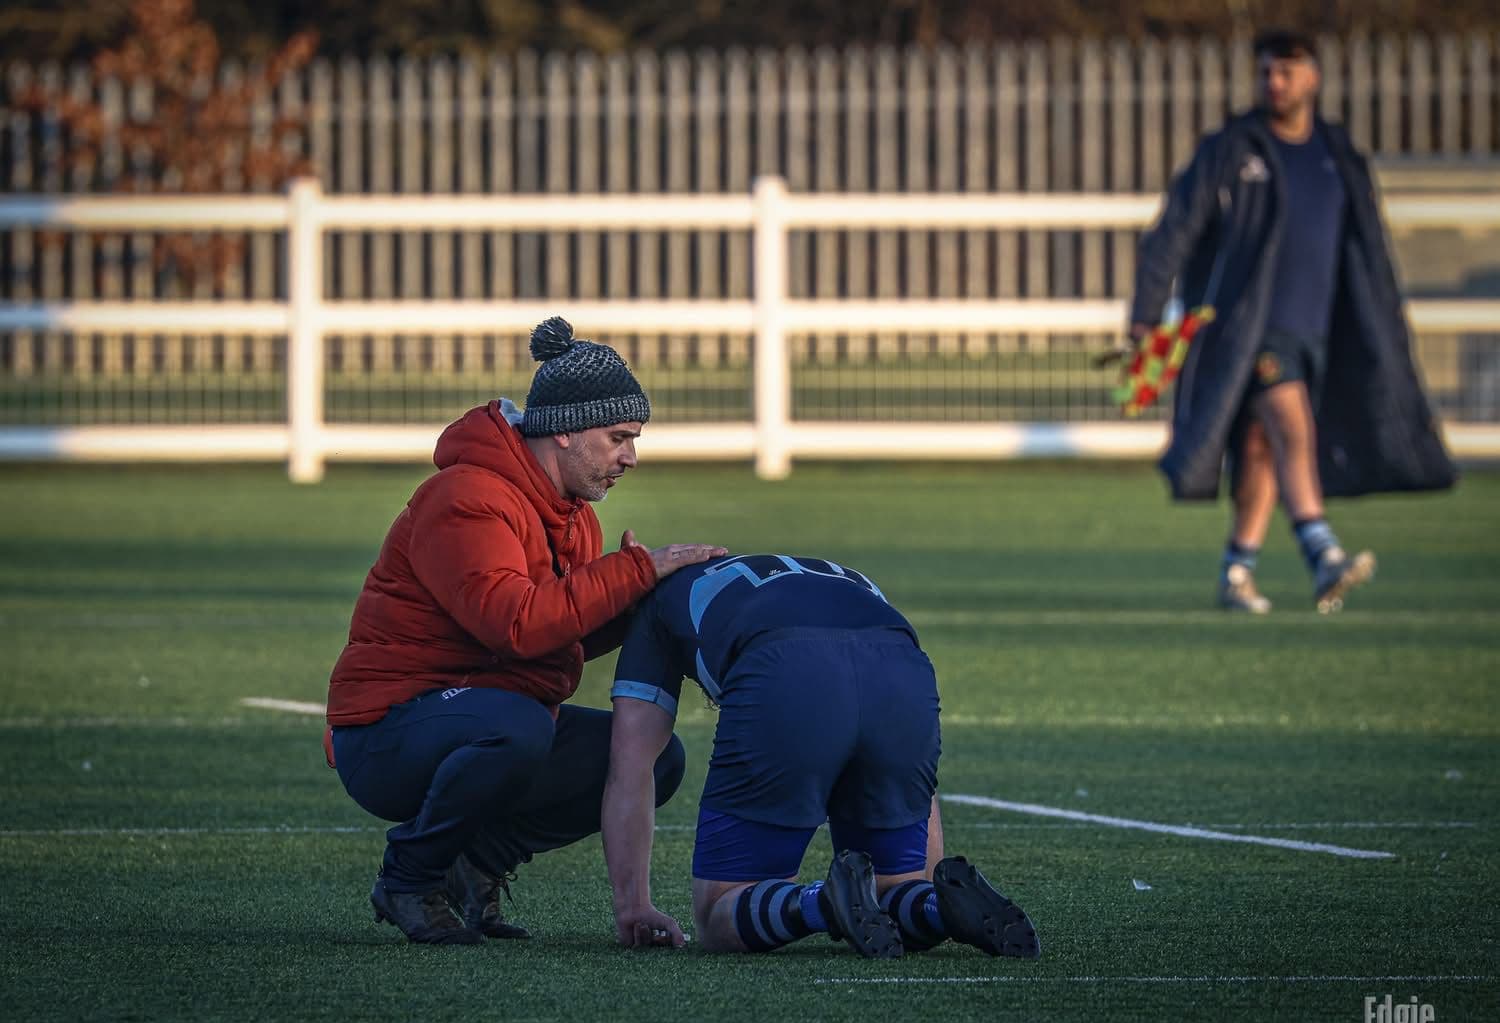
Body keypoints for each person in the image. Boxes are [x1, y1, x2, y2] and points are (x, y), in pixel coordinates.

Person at [325, 316, 727, 945]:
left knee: (654, 757)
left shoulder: (571, 514)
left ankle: (476, 862)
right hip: (384, 734)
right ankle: (408, 877)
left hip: (481, 717)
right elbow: (514, 625)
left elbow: (561, 630)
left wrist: (650, 599)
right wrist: (635, 572)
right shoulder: (467, 496)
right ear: (564, 431)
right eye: (618, 436)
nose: (631, 457)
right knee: (516, 726)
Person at [1129, 29, 1455, 614]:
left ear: (1313, 77)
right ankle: (1320, 548)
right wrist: (1145, 316)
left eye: (1285, 71)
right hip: (1249, 328)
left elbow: (1368, 246)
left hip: (1319, 324)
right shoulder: (1232, 149)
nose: (1273, 83)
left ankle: (1237, 571)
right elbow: (1173, 229)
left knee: (1261, 447)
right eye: (1265, 73)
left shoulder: (1336, 153)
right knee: (1294, 423)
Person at [600, 552, 1040, 959]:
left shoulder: (654, 603)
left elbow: (632, 765)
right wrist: (925, 879)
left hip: (786, 669)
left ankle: (819, 903)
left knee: (718, 912)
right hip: (902, 668)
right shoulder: (837, 575)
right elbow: (921, 774)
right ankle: (937, 910)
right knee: (895, 888)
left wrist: (633, 905)